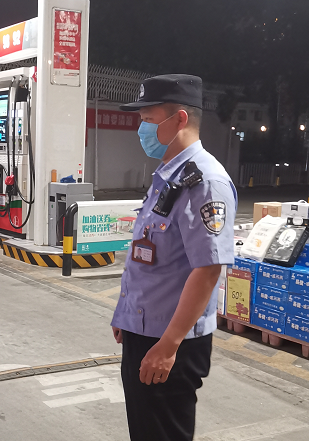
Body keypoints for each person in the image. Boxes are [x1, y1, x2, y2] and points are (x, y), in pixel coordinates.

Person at [112, 74, 236, 441]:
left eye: (148, 119)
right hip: (144, 332)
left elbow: (207, 270)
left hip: (170, 341)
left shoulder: (205, 182)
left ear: (179, 119)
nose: (141, 129)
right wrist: (125, 315)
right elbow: (152, 255)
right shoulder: (169, 176)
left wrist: (168, 346)